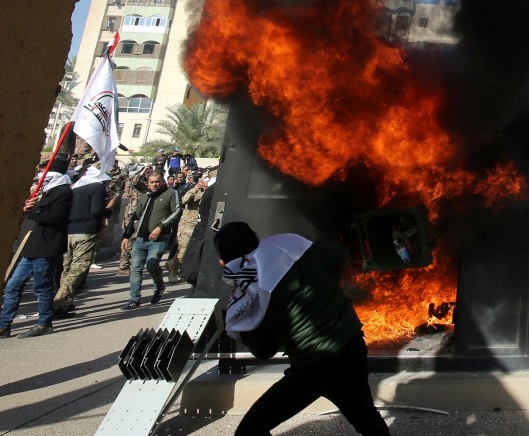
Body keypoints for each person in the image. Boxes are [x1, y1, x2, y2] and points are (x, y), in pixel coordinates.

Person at [213, 221, 390, 436]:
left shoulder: (247, 295)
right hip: (352, 343)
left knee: (251, 430)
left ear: (224, 262)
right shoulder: (290, 246)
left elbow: (264, 351)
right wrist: (325, 292)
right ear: (255, 239)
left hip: (315, 365)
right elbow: (337, 257)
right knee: (366, 417)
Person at [0, 157, 73, 338]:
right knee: (13, 286)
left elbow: (56, 217)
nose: (41, 176)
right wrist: (32, 206)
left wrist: (34, 212)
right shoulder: (48, 192)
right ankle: (4, 324)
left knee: (42, 287)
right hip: (34, 247)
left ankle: (44, 323)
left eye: (43, 172)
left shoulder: (63, 192)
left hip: (47, 247)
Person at [53, 165, 110, 316]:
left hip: (70, 231)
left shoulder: (76, 187)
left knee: (67, 268)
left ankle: (66, 302)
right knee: (79, 268)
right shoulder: (97, 187)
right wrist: (108, 210)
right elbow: (97, 210)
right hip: (86, 232)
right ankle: (58, 302)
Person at [121, 171, 180, 309]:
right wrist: (126, 236)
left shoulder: (171, 193)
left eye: (157, 181)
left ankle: (159, 285)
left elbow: (177, 212)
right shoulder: (145, 197)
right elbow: (135, 216)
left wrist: (161, 226)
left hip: (159, 238)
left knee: (152, 264)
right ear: (148, 183)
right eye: (152, 182)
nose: (154, 184)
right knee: (136, 268)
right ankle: (134, 299)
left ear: (163, 181)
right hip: (141, 239)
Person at [165, 175, 207, 282]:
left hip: (200, 225)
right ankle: (173, 273)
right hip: (187, 225)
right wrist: (195, 189)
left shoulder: (211, 192)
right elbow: (183, 201)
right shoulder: (194, 190)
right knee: (183, 250)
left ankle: (172, 264)